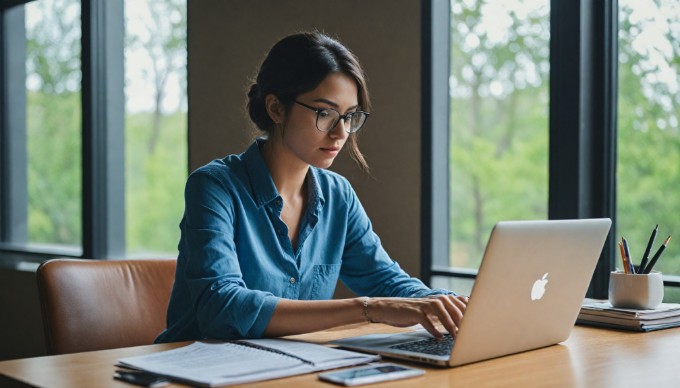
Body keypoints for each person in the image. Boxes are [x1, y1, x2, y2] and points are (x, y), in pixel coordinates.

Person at [155, 31, 467, 344]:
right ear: (276, 108)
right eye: (325, 113)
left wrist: (450, 305)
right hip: (194, 370)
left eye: (349, 116)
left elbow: (387, 281)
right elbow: (223, 307)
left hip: (291, 368)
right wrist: (368, 309)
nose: (341, 132)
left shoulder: (337, 196)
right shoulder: (213, 187)